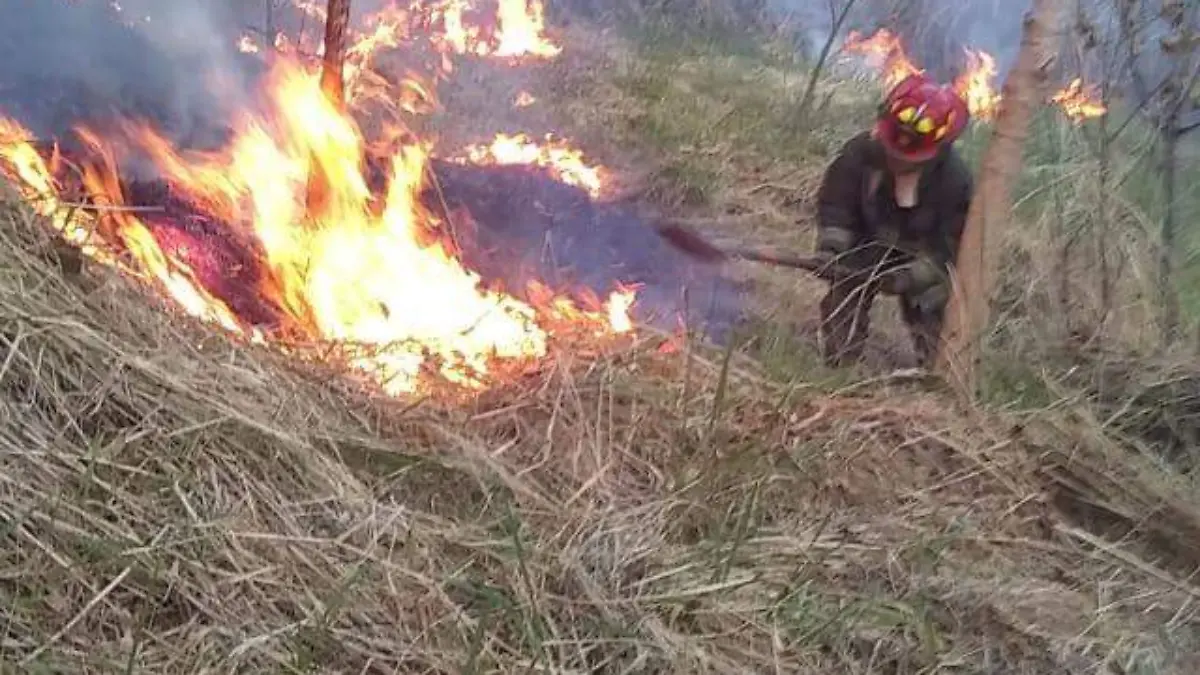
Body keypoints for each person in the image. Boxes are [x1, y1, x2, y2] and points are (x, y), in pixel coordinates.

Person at [812, 72, 974, 368]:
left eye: (910, 157)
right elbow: (837, 204)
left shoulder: (954, 183)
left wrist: (914, 276)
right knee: (844, 290)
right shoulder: (860, 154)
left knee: (933, 300)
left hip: (920, 256)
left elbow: (953, 245)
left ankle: (937, 370)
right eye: (893, 151)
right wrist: (832, 248)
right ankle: (841, 363)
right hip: (866, 243)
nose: (898, 160)